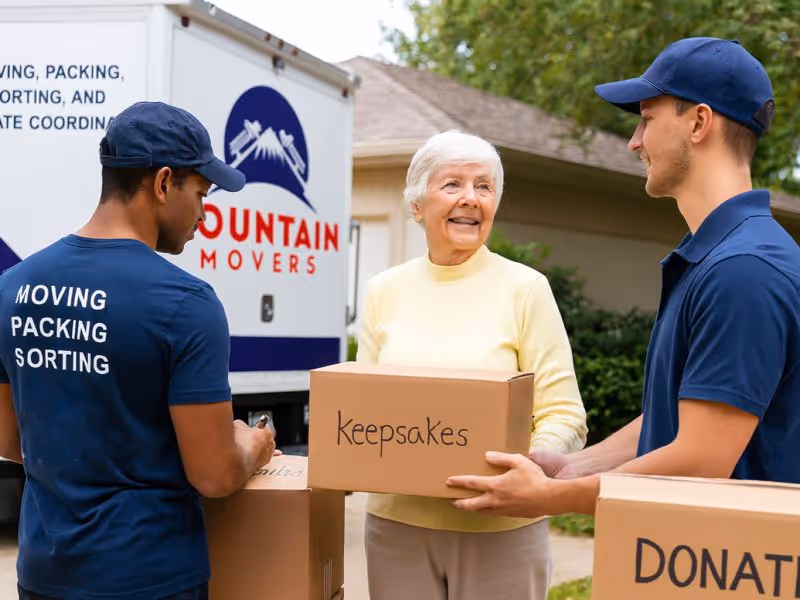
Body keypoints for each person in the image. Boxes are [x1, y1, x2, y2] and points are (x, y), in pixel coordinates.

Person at [447, 38, 800, 519]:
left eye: (647, 118)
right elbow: (679, 420)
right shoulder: (721, 257)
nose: (634, 141)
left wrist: (552, 498)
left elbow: (702, 457)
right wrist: (574, 466)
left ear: (698, 122)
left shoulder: (744, 270)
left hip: (734, 570)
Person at [0, 101, 276, 600]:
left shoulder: (12, 288)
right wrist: (253, 446)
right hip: (150, 578)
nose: (203, 214)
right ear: (164, 182)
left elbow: (6, 440)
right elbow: (214, 475)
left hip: (44, 576)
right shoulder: (186, 303)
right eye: (201, 193)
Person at [356, 130, 588, 600]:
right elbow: (365, 408)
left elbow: (565, 413)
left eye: (484, 186)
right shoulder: (384, 290)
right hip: (396, 526)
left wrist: (532, 466)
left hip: (500, 527)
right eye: (453, 184)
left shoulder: (526, 289)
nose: (471, 199)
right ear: (417, 204)